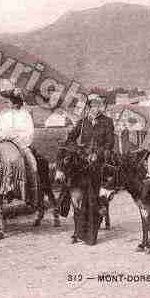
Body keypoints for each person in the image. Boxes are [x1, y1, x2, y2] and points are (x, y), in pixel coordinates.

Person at [63, 93, 115, 244]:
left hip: (99, 161)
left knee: (94, 190)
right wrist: (78, 150)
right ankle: (63, 202)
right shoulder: (83, 123)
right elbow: (70, 139)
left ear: (102, 107)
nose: (96, 108)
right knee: (70, 177)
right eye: (93, 105)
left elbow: (109, 143)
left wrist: (97, 154)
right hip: (83, 158)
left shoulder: (107, 122)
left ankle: (93, 223)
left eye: (99, 105)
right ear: (89, 107)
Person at [0, 87, 40, 208]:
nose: (7, 104)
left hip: (19, 143)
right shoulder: (5, 115)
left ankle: (31, 196)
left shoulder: (25, 115)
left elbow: (29, 133)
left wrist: (14, 137)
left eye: (8, 101)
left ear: (15, 102)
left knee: (33, 165)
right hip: (2, 142)